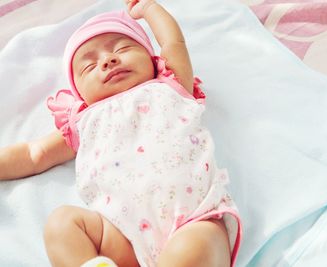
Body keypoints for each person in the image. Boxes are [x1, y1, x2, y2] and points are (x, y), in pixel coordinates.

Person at [0, 0, 242, 266]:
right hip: (120, 236)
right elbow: (34, 155)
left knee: (193, 249)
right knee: (61, 224)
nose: (108, 60)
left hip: (192, 220)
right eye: (89, 66)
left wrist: (149, 9)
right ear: (79, 93)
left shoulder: (170, 86)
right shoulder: (85, 122)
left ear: (151, 59)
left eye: (122, 48)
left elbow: (174, 43)